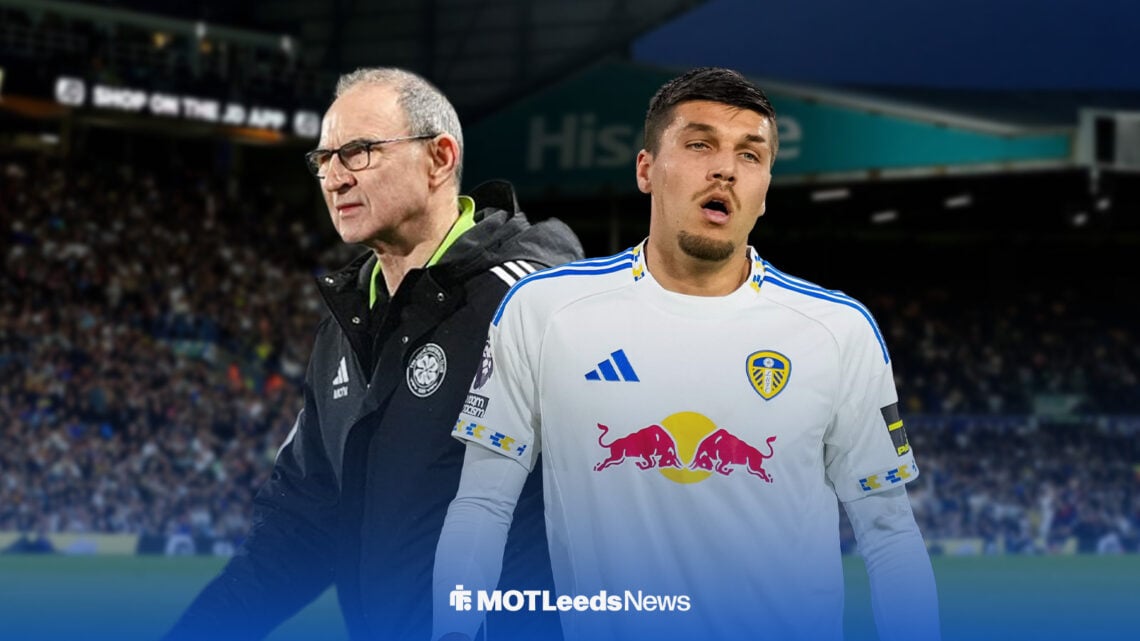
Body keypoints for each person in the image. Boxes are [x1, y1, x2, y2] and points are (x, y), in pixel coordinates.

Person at [433, 67, 940, 641]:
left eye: (750, 156)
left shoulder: (836, 330)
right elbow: (481, 504)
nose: (725, 167)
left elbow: (889, 531)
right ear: (646, 170)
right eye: (700, 145)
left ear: (765, 189)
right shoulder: (544, 312)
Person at [164, 67, 582, 641]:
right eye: (323, 159)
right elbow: (302, 522)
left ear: (439, 159)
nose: (334, 177)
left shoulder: (530, 305)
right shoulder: (343, 326)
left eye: (358, 152)